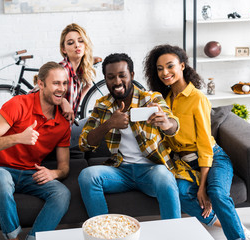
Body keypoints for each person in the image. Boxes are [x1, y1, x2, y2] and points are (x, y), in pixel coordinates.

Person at [143, 44, 250, 240]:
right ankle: (230, 224)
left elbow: (205, 145)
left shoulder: (197, 98)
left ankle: (238, 237)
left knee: (216, 193)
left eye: (170, 66)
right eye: (160, 68)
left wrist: (202, 187)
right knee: (179, 193)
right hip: (184, 163)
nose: (165, 72)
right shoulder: (164, 99)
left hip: (213, 157)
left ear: (182, 66)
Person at [77, 53, 181, 219]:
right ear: (105, 79)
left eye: (122, 75)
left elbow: (173, 125)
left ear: (131, 75)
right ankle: (104, 233)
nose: (117, 82)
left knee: (164, 175)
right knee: (87, 176)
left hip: (151, 170)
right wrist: (109, 124)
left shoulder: (151, 98)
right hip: (120, 172)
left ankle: (173, 232)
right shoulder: (103, 105)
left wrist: (166, 123)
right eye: (111, 77)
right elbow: (84, 144)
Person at [0, 62, 71, 240]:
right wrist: (18, 137)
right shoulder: (18, 104)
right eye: (56, 83)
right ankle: (14, 238)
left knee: (62, 193)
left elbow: (64, 166)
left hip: (29, 173)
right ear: (41, 84)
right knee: (3, 180)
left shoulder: (63, 123)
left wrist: (55, 173)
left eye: (64, 83)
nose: (62, 88)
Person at [30, 23, 95, 124]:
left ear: (85, 45)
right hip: (47, 128)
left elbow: (72, 105)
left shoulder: (78, 72)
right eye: (70, 43)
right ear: (63, 49)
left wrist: (87, 86)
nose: (77, 45)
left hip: (64, 127)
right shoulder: (62, 70)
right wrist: (62, 101)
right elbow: (34, 94)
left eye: (80, 41)